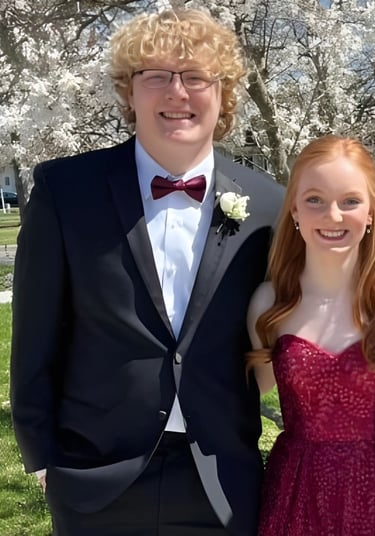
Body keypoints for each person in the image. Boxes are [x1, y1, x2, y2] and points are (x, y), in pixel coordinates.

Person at [10, 9, 284, 535]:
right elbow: (34, 335)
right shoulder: (66, 191)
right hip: (96, 480)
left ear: (223, 94)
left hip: (222, 481)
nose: (176, 92)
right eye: (155, 75)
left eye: (195, 77)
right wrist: (42, 457)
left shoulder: (270, 203)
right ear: (128, 91)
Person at [246, 135, 375, 535]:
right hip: (298, 495)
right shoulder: (268, 304)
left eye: (350, 201)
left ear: (371, 213)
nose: (333, 215)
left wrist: (374, 407)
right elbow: (253, 390)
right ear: (294, 210)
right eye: (314, 199)